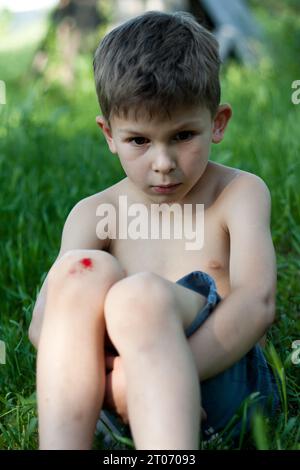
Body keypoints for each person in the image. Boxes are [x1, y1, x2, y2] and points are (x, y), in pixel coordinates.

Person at [28, 10, 279, 450]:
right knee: (80, 271)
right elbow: (44, 326)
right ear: (109, 134)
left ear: (217, 122)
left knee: (138, 296)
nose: (162, 163)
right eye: (139, 141)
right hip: (112, 392)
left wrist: (159, 371)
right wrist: (116, 384)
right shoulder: (95, 212)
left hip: (221, 382)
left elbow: (257, 305)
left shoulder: (238, 194)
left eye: (183, 136)